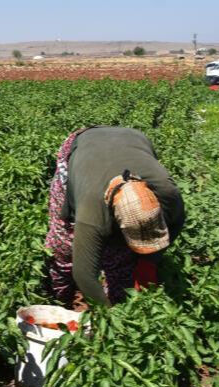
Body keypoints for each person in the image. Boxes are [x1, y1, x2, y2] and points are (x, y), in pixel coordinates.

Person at [45, 127, 185, 306]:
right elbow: (84, 275)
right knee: (64, 245)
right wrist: (111, 316)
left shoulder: (168, 192)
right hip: (84, 146)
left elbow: (176, 223)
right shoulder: (92, 211)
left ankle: (118, 287)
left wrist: (150, 262)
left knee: (122, 260)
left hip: (133, 139)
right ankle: (62, 297)